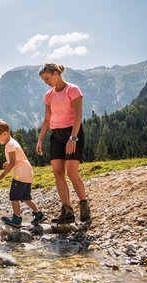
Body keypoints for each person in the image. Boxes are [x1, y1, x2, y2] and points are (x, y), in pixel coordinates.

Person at [36, 63, 91, 224]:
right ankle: (67, 211)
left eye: (47, 78)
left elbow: (78, 116)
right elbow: (47, 119)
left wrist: (73, 138)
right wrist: (40, 139)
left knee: (72, 172)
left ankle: (84, 206)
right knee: (58, 173)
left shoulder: (73, 90)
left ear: (56, 73)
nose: (46, 82)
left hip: (72, 133)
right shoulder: (48, 95)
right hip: (56, 135)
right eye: (44, 80)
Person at [0, 119, 46, 227]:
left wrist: (1, 176)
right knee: (26, 197)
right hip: (27, 172)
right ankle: (38, 214)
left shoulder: (9, 145)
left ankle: (16, 218)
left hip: (20, 174)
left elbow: (13, 163)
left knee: (14, 196)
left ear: (5, 134)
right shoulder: (13, 142)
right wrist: (8, 162)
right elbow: (15, 159)